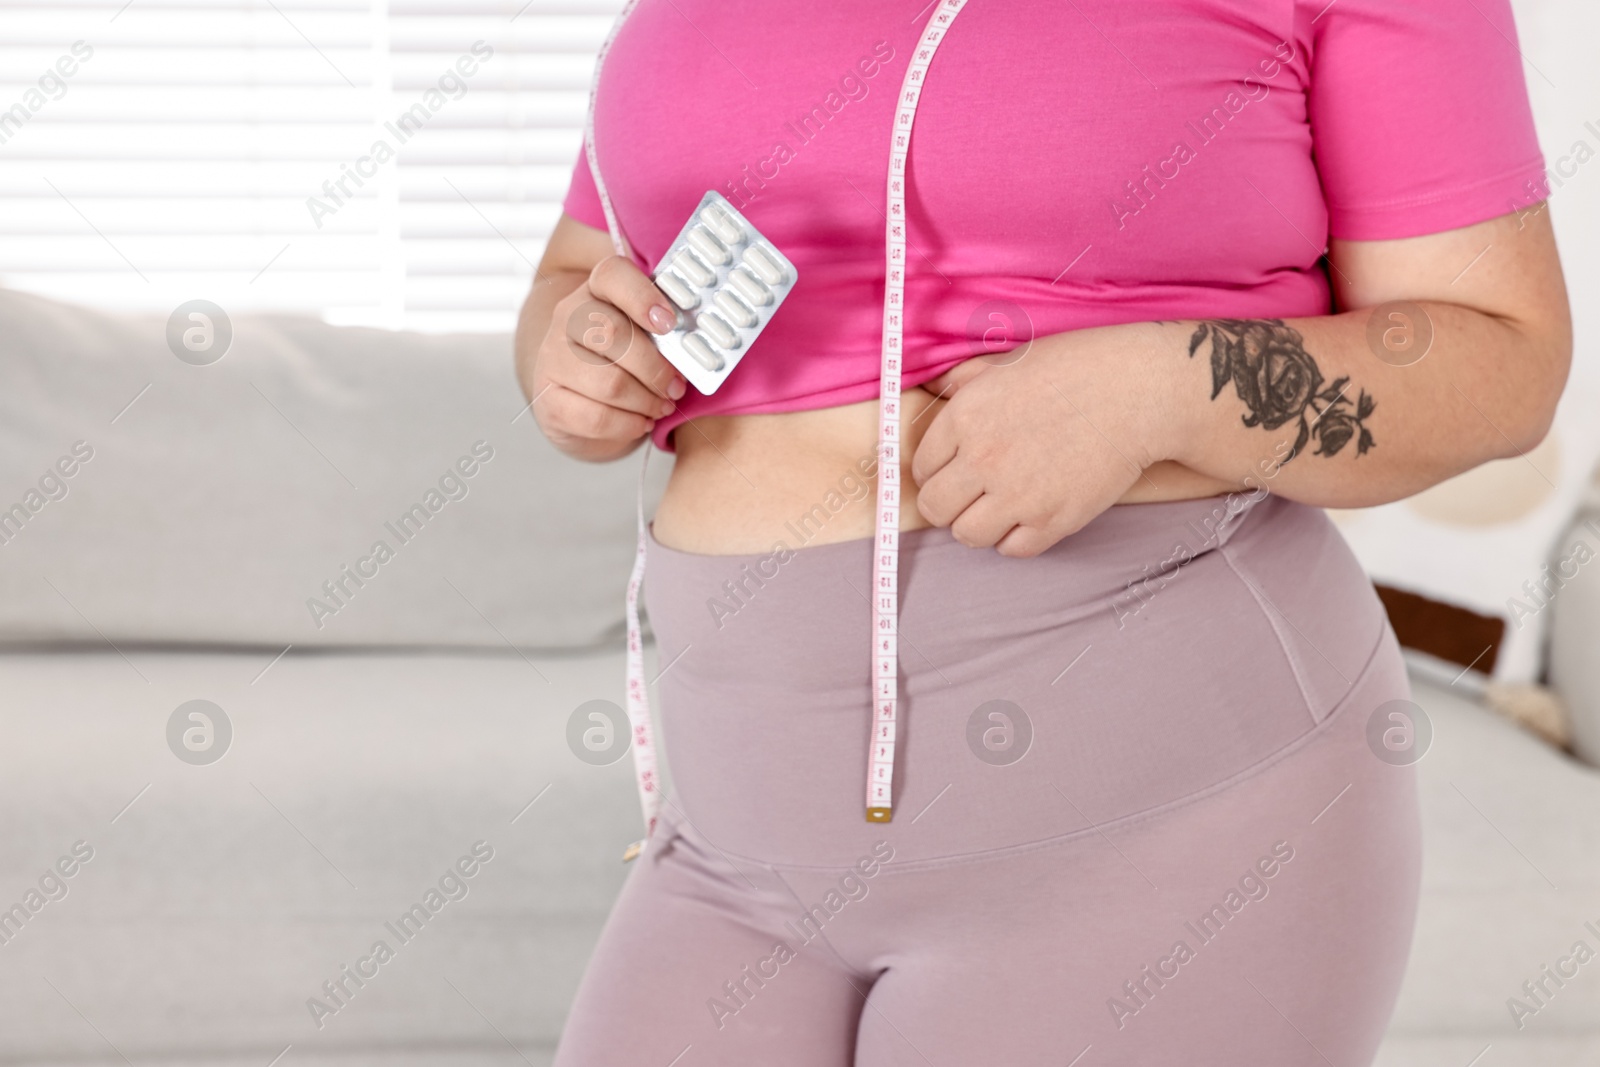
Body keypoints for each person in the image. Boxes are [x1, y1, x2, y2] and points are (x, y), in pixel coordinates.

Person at [515, 1, 1570, 1063]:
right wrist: (572, 357)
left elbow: (1501, 360)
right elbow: (579, 265)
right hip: (730, 840)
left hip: (1165, 826)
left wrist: (1165, 388)